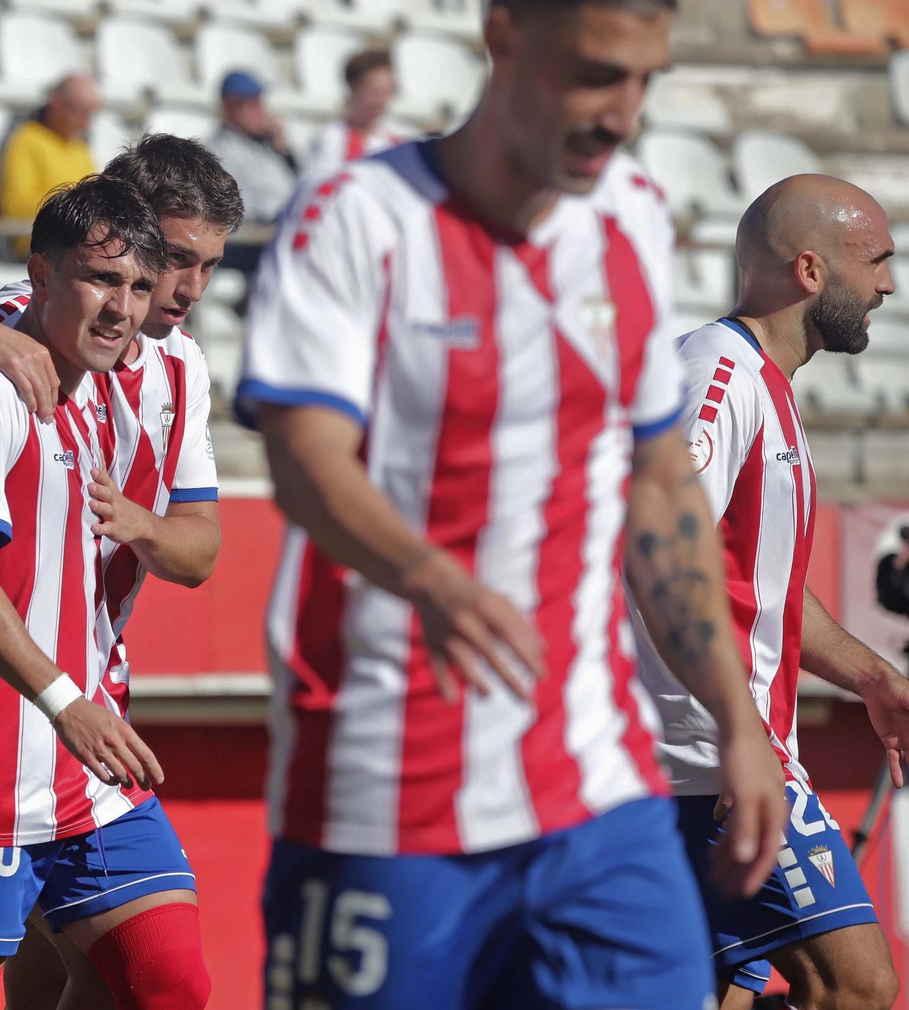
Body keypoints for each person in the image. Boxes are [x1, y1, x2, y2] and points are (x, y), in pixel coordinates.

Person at [236, 1, 792, 1007]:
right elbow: (303, 459)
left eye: (643, 82)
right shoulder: (354, 217)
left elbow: (663, 490)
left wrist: (737, 721)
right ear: (503, 34)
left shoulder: (627, 217)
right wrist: (427, 576)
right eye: (593, 74)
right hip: (384, 785)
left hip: (595, 787)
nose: (620, 114)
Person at [0, 133, 240, 1007]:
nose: (182, 292)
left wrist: (141, 526)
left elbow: (202, 551)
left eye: (201, 268)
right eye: (166, 261)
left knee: (166, 982)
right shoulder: (9, 344)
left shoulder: (176, 367)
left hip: (92, 740)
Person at [633, 174, 905, 1010]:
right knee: (857, 988)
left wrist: (870, 676)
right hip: (709, 754)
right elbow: (654, 557)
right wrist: (738, 732)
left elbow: (757, 585)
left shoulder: (764, 384)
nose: (889, 285)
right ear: (813, 271)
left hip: (718, 752)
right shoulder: (714, 372)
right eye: (877, 262)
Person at [0, 74, 101, 255]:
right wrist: (73, 210)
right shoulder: (26, 139)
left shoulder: (80, 147)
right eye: (80, 112)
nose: (86, 123)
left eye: (90, 114)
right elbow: (15, 205)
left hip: (80, 243)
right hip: (43, 246)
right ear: (57, 104)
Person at [208, 71, 298, 227]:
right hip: (256, 237)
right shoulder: (217, 151)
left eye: (260, 103)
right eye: (252, 105)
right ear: (229, 107)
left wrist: (285, 153)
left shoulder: (270, 143)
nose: (261, 112)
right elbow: (235, 207)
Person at [302, 50, 402, 179]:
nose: (381, 101)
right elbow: (318, 186)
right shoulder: (331, 136)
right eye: (374, 92)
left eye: (387, 92)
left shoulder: (394, 141)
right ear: (353, 88)